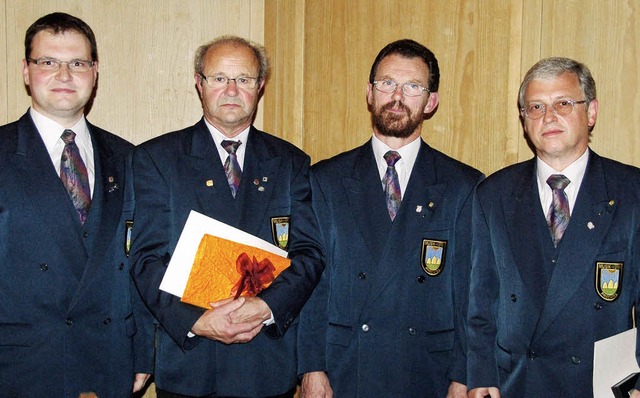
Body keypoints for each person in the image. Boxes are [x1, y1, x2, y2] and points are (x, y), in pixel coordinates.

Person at [129, 35, 324, 398]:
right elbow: (145, 260)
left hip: (266, 365)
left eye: (244, 79)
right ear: (199, 83)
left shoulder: (291, 163)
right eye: (219, 78)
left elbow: (310, 255)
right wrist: (197, 321)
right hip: (191, 367)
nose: (231, 90)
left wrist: (267, 306)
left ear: (260, 86)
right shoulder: (156, 159)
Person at [297, 39, 483, 397]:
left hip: (428, 371)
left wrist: (465, 374)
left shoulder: (464, 186)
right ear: (370, 93)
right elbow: (311, 285)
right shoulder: (325, 180)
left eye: (412, 87)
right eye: (386, 83)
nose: (397, 96)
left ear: (431, 101)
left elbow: (471, 294)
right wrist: (310, 366)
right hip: (344, 369)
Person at [467, 57, 640, 397]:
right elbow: (479, 302)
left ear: (591, 112)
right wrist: (481, 376)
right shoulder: (494, 195)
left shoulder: (631, 192)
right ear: (523, 120)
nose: (549, 117)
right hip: (515, 384)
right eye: (536, 106)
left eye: (563, 103)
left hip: (603, 387)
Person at [0, 12, 153, 397]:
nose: (65, 75)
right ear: (25, 71)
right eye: (48, 62)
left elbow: (144, 263)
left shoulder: (130, 158)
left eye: (78, 63)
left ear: (95, 72)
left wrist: (142, 353)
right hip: (21, 366)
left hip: (109, 361)